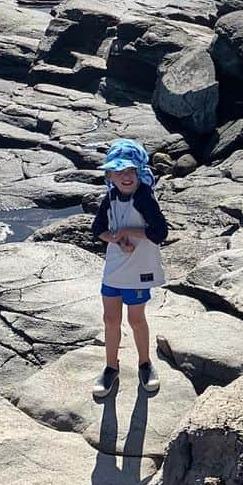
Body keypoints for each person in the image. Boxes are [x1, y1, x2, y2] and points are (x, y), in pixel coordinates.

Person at [89, 139, 168, 398]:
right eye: (119, 171)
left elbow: (159, 232)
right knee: (110, 319)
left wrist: (127, 231)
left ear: (138, 172)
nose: (125, 176)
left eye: (130, 171)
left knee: (136, 319)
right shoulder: (109, 197)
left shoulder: (144, 197)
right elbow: (97, 229)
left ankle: (145, 364)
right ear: (109, 175)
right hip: (114, 268)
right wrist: (114, 238)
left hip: (138, 269)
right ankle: (111, 368)